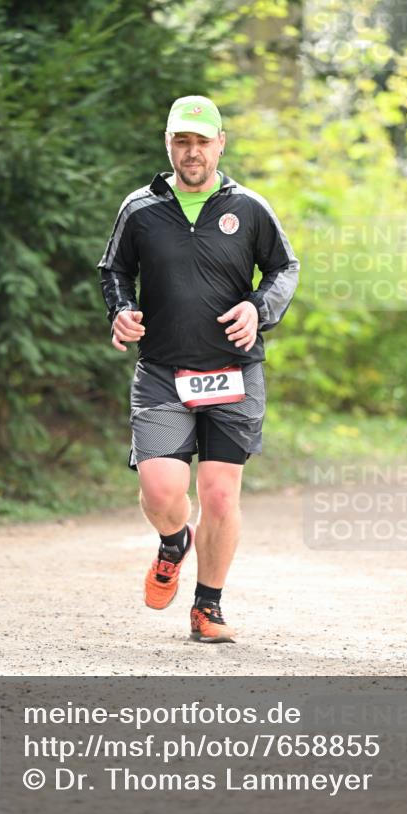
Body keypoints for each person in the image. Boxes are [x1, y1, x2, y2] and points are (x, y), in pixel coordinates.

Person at [98, 95, 299, 643]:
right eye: (182, 141)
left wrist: (258, 309)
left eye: (202, 142)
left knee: (219, 494)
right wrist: (121, 311)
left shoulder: (249, 208)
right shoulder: (140, 208)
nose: (192, 152)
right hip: (163, 371)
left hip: (234, 370)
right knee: (162, 492)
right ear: (168, 144)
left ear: (220, 144)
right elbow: (114, 270)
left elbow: (284, 267)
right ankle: (173, 542)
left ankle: (207, 608)